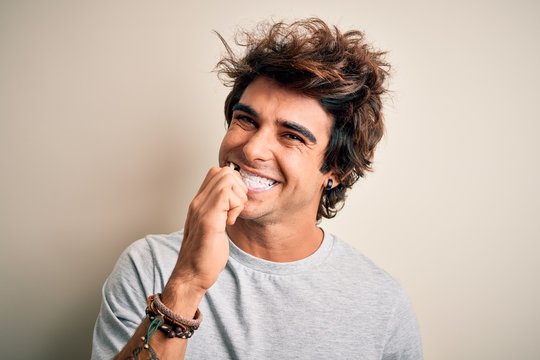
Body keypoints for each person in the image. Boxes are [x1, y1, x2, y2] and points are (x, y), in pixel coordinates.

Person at [91, 18, 423, 360]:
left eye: (291, 136)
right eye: (246, 120)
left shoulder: (382, 304)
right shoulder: (149, 266)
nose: (252, 150)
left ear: (335, 171)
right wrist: (187, 282)